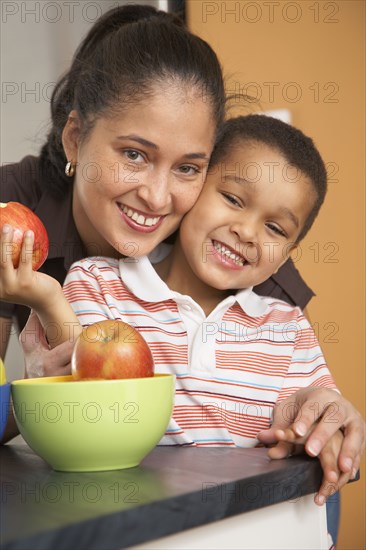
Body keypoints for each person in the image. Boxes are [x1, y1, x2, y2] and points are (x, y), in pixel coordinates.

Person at [1, 115, 361, 517]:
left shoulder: (288, 328)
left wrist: (327, 412)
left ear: (288, 255)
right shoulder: (98, 282)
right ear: (193, 188)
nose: (246, 231)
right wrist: (48, 300)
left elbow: (314, 413)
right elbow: (82, 394)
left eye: (275, 228)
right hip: (129, 522)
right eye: (233, 199)